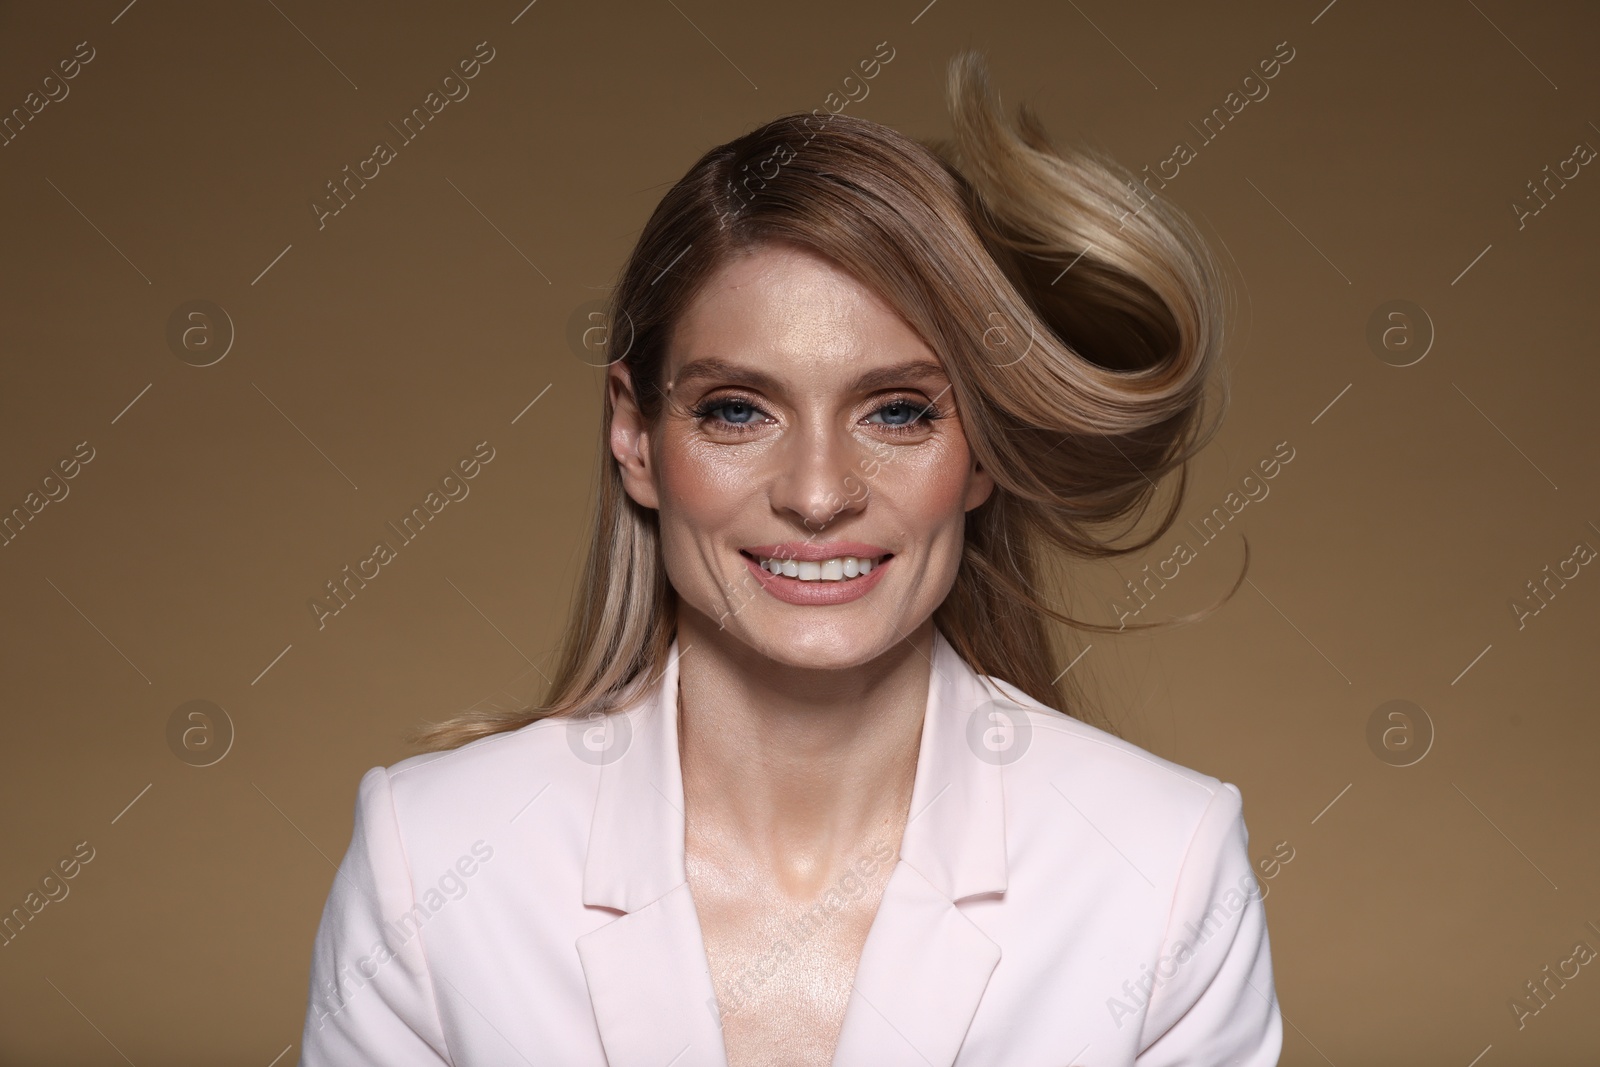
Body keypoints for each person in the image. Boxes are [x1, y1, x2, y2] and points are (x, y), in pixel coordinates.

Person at [299, 49, 1281, 1066]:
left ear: (982, 449)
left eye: (898, 410)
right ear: (636, 439)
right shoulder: (434, 858)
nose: (817, 492)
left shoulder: (1164, 869)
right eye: (737, 409)